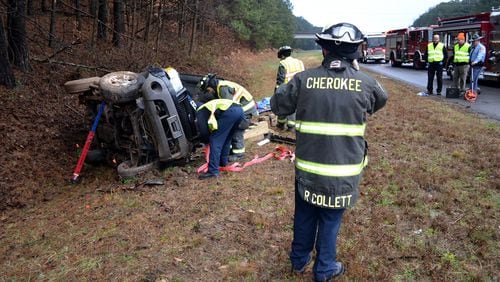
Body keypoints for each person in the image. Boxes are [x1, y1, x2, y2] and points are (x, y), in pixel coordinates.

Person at [271, 22, 387, 281]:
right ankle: (324, 269)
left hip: (308, 169)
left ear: (323, 49)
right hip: (343, 171)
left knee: (304, 214)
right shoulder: (367, 83)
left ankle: (299, 261)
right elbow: (380, 100)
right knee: (331, 220)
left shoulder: (303, 80)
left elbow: (278, 105)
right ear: (355, 52)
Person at [198, 74, 258, 162]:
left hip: (245, 109)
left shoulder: (223, 89)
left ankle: (239, 154)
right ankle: (229, 151)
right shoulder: (220, 88)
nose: (208, 92)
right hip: (241, 108)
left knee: (237, 130)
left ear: (210, 86)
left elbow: (229, 106)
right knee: (230, 128)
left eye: (207, 90)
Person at [196, 97, 244, 179]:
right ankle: (222, 163)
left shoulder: (201, 110)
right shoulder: (211, 105)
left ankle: (213, 171)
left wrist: (206, 140)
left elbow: (204, 130)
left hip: (231, 112)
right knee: (227, 138)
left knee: (214, 140)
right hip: (240, 111)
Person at [276, 45, 305, 130]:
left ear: (282, 55)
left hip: (288, 89)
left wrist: (278, 91)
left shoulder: (283, 63)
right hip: (300, 88)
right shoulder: (299, 62)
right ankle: (293, 125)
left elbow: (280, 80)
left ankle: (286, 125)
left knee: (284, 106)